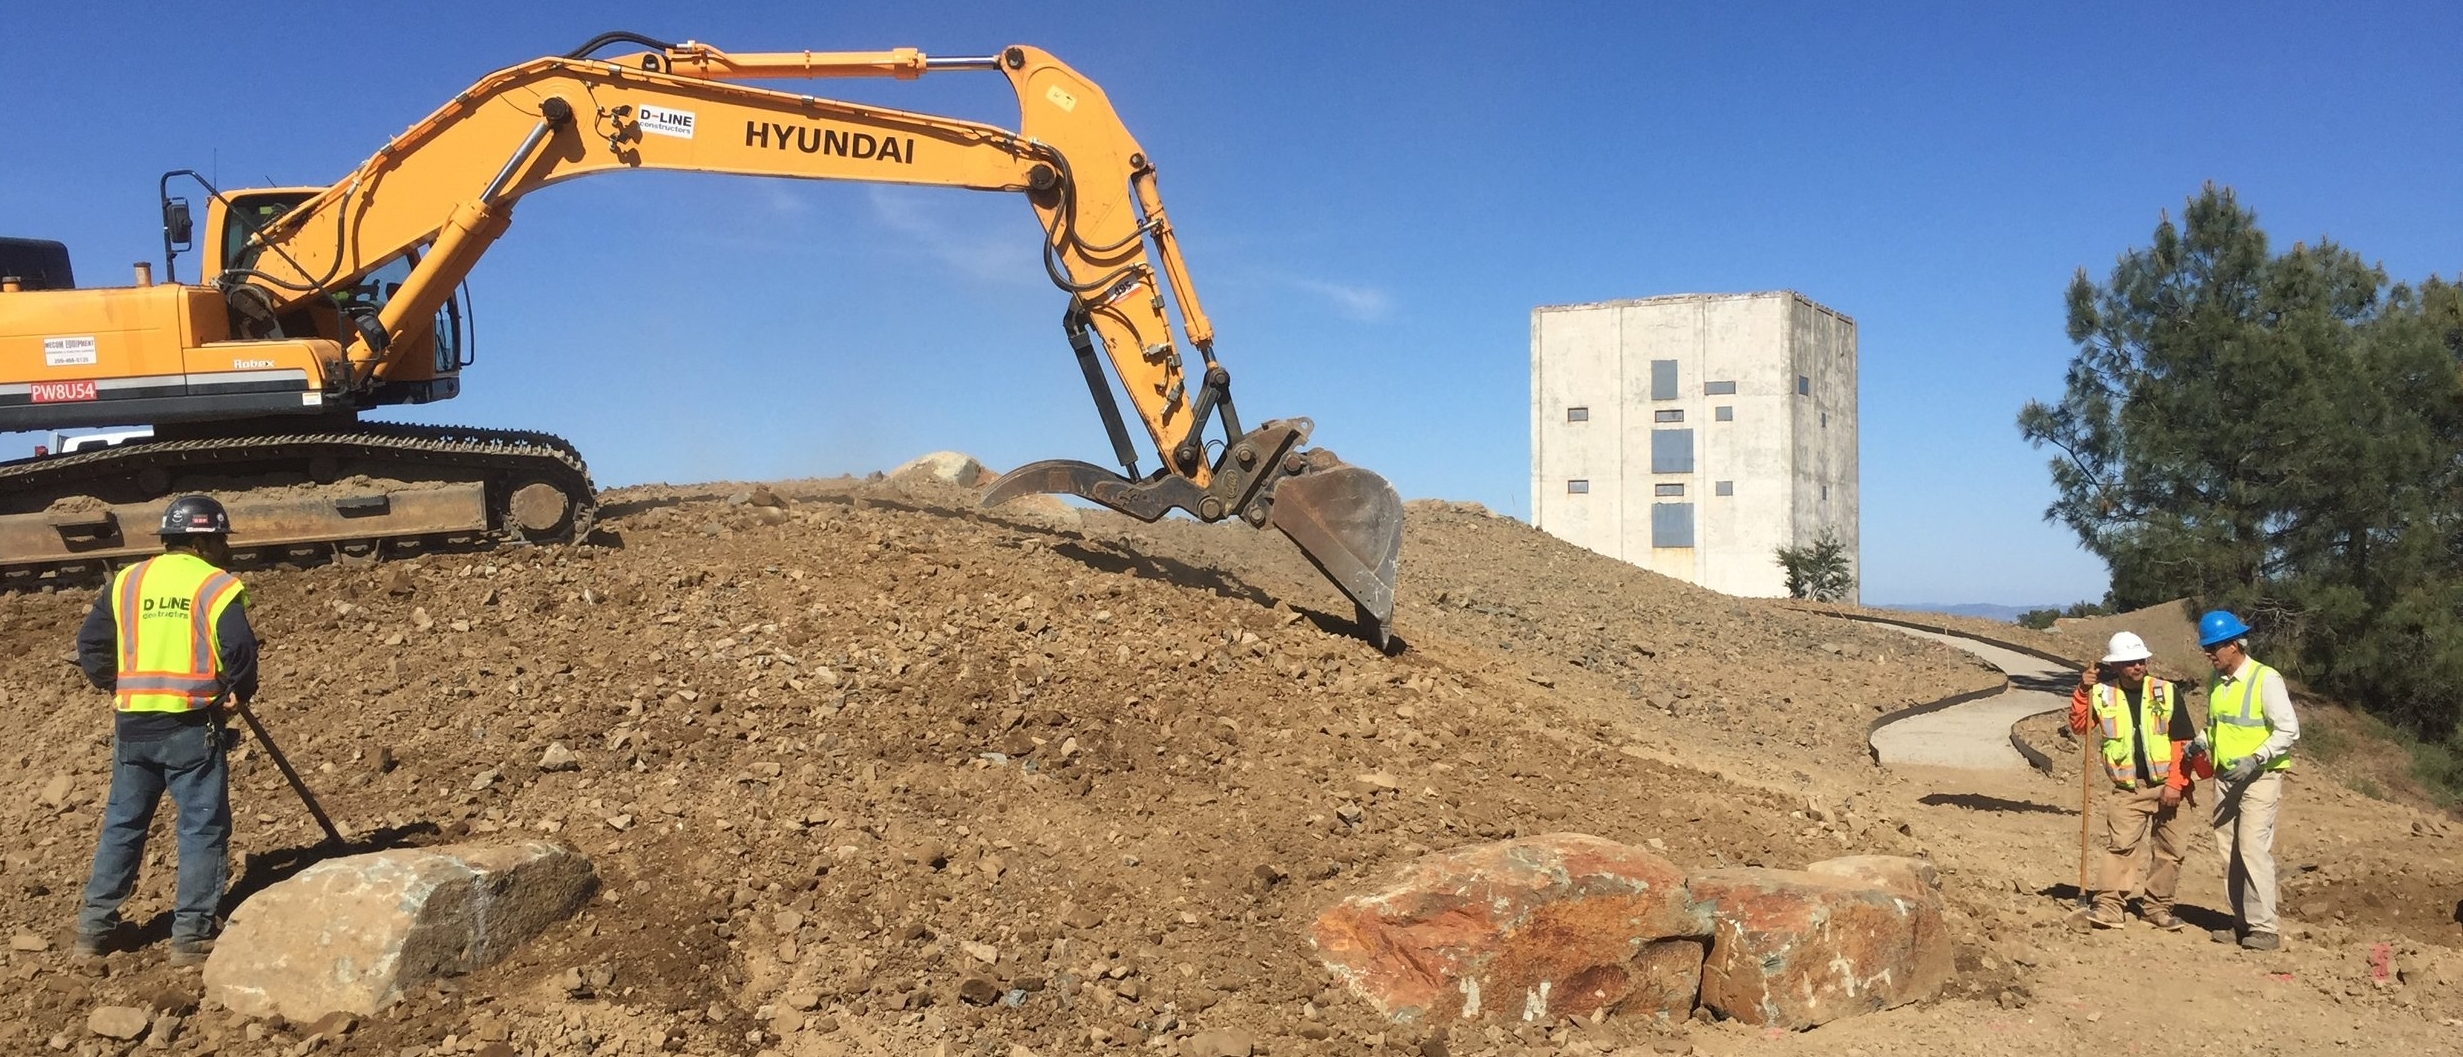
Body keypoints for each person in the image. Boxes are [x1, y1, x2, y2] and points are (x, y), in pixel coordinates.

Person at [71, 495, 258, 967]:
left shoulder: (127, 581)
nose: (223, 548)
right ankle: (191, 938)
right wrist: (239, 691)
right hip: (191, 725)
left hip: (133, 723)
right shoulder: (216, 585)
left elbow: (91, 642)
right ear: (202, 540)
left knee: (123, 826)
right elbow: (239, 648)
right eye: (219, 539)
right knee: (201, 828)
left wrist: (118, 685)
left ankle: (94, 930)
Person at [2069, 631, 2201, 930]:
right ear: (2115, 666)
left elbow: (2182, 741)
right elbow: (2079, 727)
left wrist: (2175, 784)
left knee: (2171, 850)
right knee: (2121, 847)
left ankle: (2158, 908)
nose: (2137, 667)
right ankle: (2109, 907)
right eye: (2129, 662)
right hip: (2127, 788)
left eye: (2141, 660)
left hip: (2170, 785)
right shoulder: (2101, 694)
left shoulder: (2166, 692)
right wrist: (2081, 691)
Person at [2197, 609, 2298, 951]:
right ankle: (2241, 922)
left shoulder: (2265, 679)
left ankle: (2265, 928)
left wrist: (2256, 757)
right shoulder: (2217, 682)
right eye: (2206, 649)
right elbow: (2217, 724)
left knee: (2252, 847)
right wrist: (2202, 740)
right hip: (2226, 777)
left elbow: (2288, 729)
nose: (2209, 655)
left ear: (2234, 646)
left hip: (2260, 776)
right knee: (2230, 851)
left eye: (2214, 648)